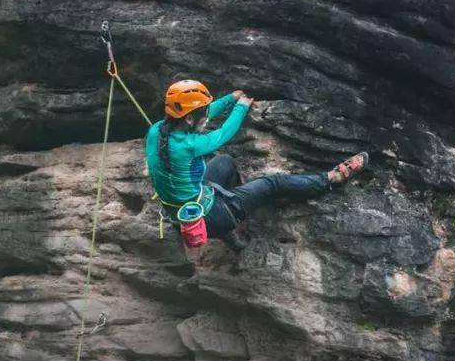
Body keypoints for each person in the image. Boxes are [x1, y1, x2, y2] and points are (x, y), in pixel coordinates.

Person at [145, 79, 368, 248]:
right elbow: (225, 133)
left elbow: (200, 115)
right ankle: (330, 179)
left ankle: (237, 208)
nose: (205, 115)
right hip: (210, 215)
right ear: (188, 119)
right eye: (202, 112)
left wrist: (228, 99)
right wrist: (240, 106)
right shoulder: (189, 144)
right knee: (272, 183)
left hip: (181, 211)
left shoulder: (157, 130)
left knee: (224, 163)